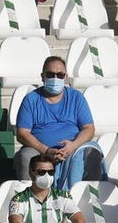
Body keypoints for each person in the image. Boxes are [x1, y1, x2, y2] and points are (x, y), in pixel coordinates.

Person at [14, 56, 105, 189]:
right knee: (25, 156)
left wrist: (73, 146)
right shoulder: (31, 99)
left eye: (60, 75)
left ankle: (88, 196)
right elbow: (22, 134)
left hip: (73, 149)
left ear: (65, 77)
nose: (55, 78)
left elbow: (89, 128)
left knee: (92, 152)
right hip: (39, 151)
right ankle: (31, 198)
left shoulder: (76, 98)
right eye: (50, 74)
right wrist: (46, 150)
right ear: (42, 76)